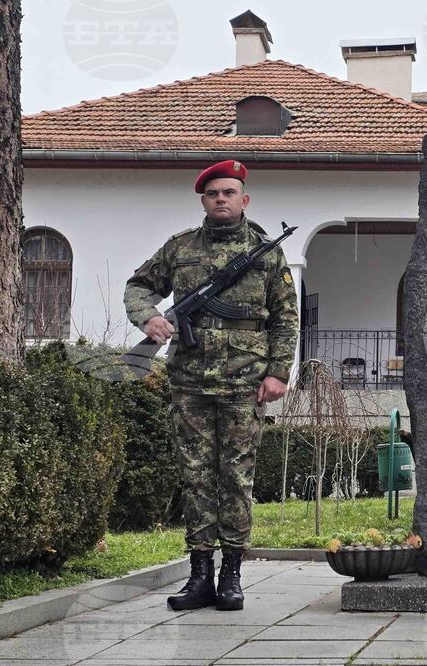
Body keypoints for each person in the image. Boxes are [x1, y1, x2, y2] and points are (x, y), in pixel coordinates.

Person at [124, 160, 299, 611]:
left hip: (246, 383)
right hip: (190, 383)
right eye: (212, 193)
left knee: (236, 478)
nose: (220, 199)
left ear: (244, 199)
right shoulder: (179, 248)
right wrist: (150, 316)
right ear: (203, 200)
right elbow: (139, 286)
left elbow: (285, 318)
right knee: (196, 477)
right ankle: (200, 573)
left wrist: (278, 372)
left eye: (228, 192)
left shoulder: (267, 252)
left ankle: (232, 575)